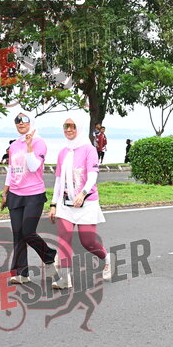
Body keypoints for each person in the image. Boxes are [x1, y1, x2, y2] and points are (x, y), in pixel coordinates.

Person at [49, 117, 111, 298]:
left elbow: (92, 176)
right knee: (63, 239)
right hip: (66, 204)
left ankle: (107, 259)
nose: (68, 129)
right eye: (66, 126)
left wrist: (82, 193)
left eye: (72, 126)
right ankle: (65, 278)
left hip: (86, 202)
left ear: (80, 127)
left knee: (87, 241)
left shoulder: (89, 150)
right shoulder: (63, 152)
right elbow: (58, 181)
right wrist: (53, 203)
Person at [0, 113, 58, 285]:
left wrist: (29, 145)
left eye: (24, 120)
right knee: (18, 234)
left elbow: (33, 167)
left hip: (34, 194)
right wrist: (5, 193)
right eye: (17, 121)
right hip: (15, 194)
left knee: (28, 232)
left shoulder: (39, 143)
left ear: (31, 122)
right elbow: (11, 170)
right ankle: (21, 273)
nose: (20, 123)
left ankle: (49, 255)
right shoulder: (14, 145)